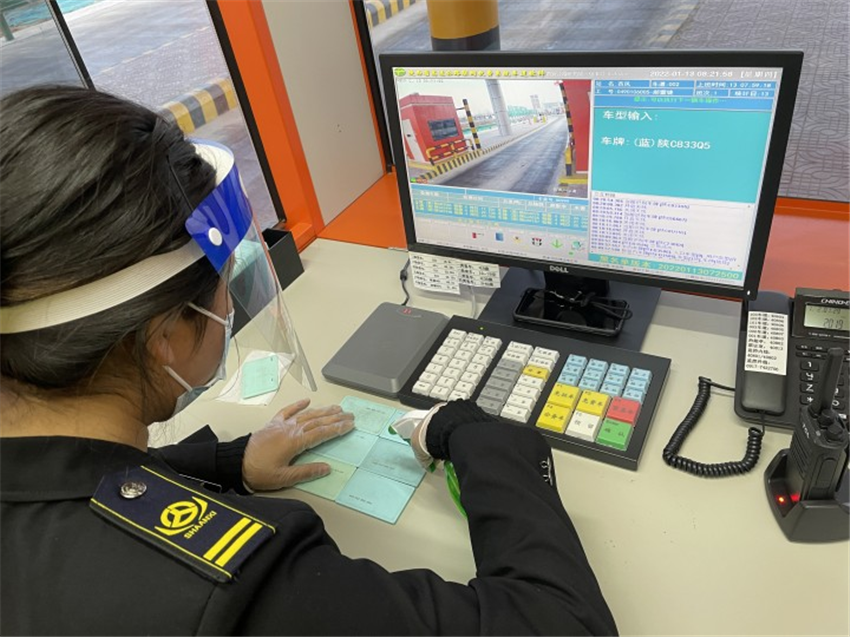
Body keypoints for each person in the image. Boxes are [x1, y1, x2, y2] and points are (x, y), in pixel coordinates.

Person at [0, 86, 617, 636]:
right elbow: (561, 622)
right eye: (223, 284)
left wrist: (231, 463)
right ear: (163, 337)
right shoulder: (232, 587)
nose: (229, 304)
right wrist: (479, 438)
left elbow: (72, 481)